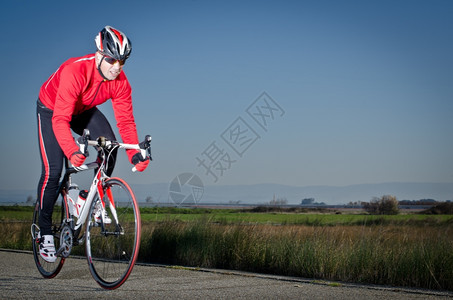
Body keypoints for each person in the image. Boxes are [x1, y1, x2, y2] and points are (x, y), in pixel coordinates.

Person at [36, 26, 150, 262]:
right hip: (51, 110)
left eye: (122, 61)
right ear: (99, 54)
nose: (116, 67)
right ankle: (44, 231)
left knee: (110, 146)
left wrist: (135, 155)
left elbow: (126, 122)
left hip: (84, 110)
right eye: (111, 60)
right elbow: (60, 119)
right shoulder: (75, 71)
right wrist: (70, 150)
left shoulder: (120, 81)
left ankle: (89, 198)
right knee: (54, 170)